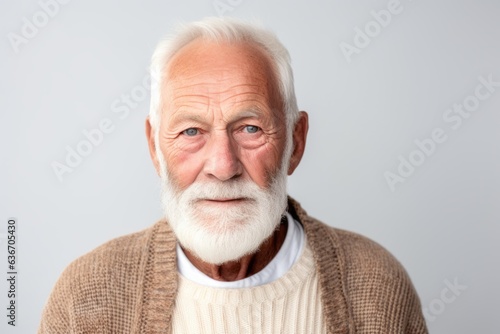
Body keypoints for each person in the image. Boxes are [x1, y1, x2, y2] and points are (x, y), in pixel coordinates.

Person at [38, 17, 428, 333]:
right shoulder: (85, 295)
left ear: (295, 141)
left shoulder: (377, 286)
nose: (223, 167)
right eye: (191, 131)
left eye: (250, 129)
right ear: (156, 148)